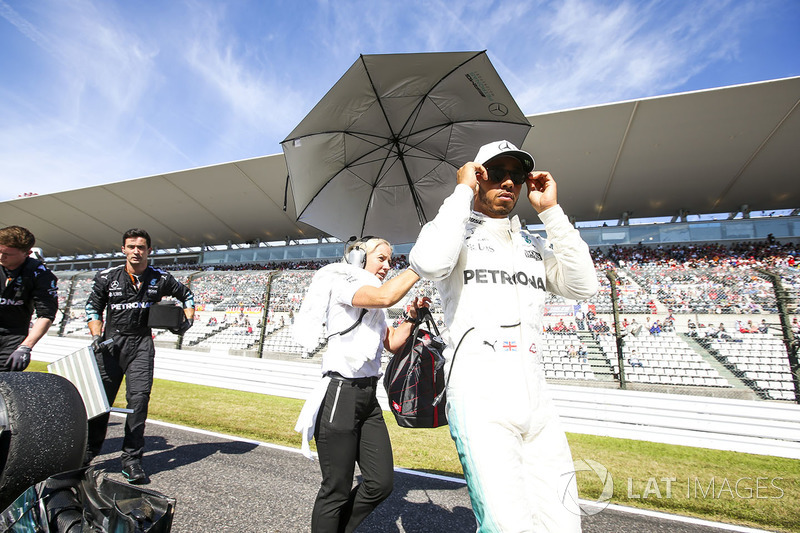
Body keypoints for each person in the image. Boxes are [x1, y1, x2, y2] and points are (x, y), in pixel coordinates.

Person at [409, 140, 598, 531]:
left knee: (563, 521)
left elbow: (583, 286)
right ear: (478, 177)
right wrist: (462, 192)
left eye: (516, 175)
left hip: (536, 397)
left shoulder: (533, 243)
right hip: (480, 396)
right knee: (507, 524)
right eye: (496, 173)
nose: (508, 182)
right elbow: (427, 263)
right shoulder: (452, 232)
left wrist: (551, 212)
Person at [293, 237, 429, 533]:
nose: (387, 266)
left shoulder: (373, 301)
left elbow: (392, 343)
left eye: (390, 260)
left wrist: (410, 317)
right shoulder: (341, 282)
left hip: (368, 397)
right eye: (381, 258)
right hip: (341, 393)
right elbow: (384, 297)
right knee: (336, 491)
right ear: (357, 256)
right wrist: (424, 264)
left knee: (381, 484)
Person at [84, 228, 195, 484]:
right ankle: (87, 453)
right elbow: (92, 307)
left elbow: (187, 295)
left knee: (139, 401)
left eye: (141, 247)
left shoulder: (161, 278)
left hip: (142, 344)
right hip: (110, 344)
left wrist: (187, 320)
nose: (136, 251)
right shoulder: (106, 277)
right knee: (100, 402)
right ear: (123, 249)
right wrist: (95, 334)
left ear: (149, 251)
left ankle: (132, 460)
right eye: (131, 246)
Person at [0, 226, 58, 372]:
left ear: (27, 253)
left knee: (5, 385)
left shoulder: (39, 273)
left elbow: (46, 314)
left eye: (7, 254)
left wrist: (26, 347)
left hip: (13, 336)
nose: (1, 257)